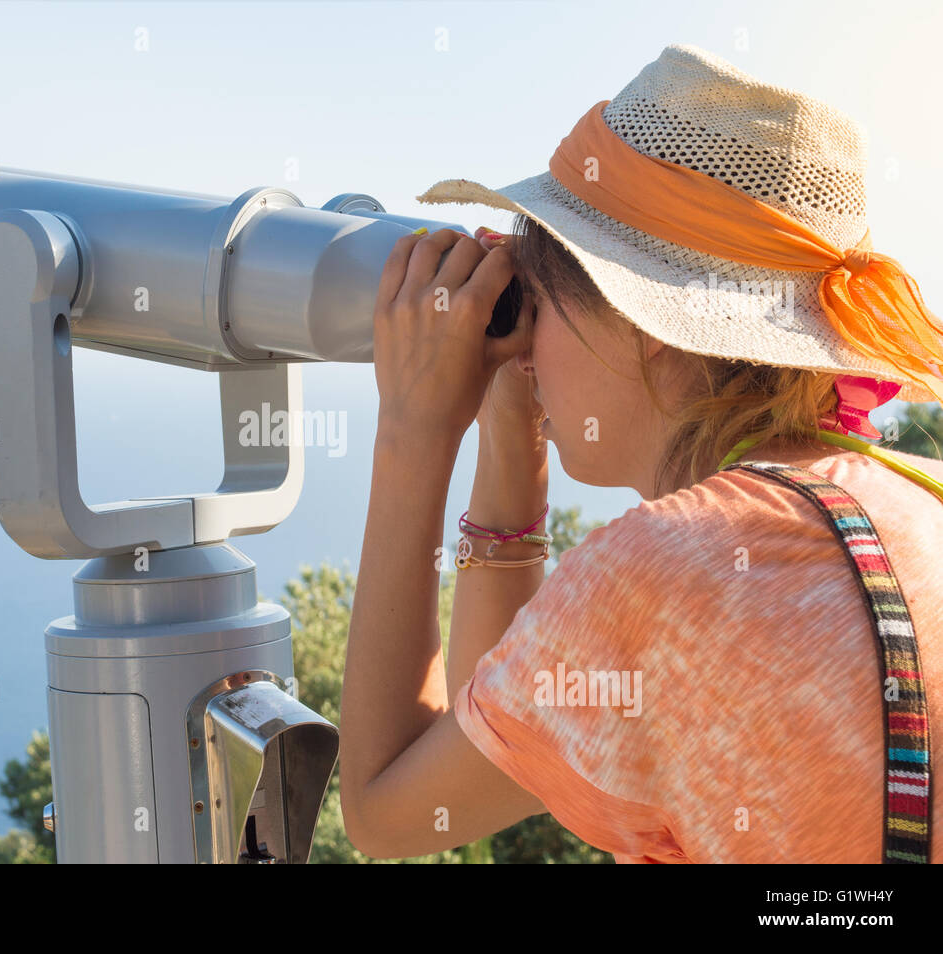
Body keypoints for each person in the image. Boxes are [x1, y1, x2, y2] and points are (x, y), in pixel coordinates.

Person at [339, 42, 943, 863]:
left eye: (536, 306)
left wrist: (413, 430)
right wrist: (510, 440)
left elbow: (385, 813)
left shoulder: (666, 573)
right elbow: (507, 735)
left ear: (641, 324)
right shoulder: (918, 499)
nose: (523, 347)